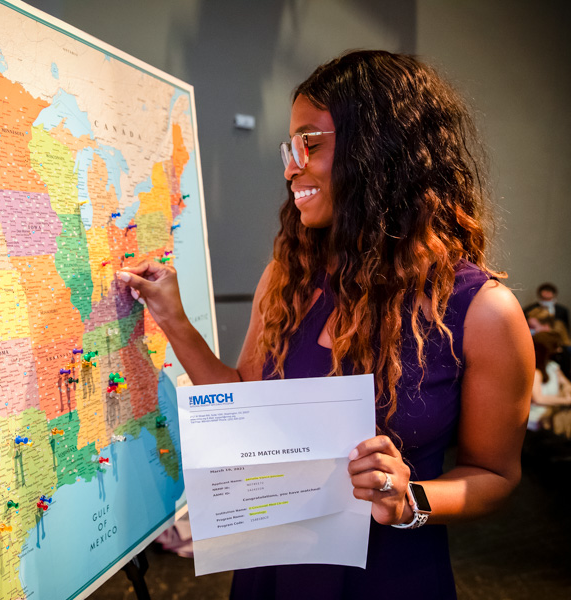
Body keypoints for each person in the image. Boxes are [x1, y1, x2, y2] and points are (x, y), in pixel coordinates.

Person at [118, 50, 532, 599]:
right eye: (289, 147)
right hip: (271, 571)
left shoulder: (481, 311)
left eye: (310, 144)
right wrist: (171, 317)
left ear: (383, 153)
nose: (291, 166)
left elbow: (495, 476)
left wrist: (411, 500)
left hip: (390, 578)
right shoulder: (286, 278)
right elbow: (243, 405)